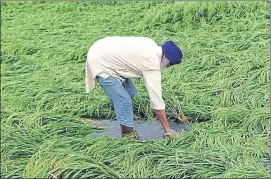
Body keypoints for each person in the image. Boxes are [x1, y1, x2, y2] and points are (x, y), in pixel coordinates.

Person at [85, 36, 183, 140]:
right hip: (100, 61)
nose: (168, 67)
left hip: (104, 49)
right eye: (170, 64)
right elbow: (157, 101)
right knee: (124, 100)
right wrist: (168, 131)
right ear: (165, 57)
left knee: (131, 92)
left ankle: (125, 117)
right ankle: (128, 136)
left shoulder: (150, 44)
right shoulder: (151, 63)